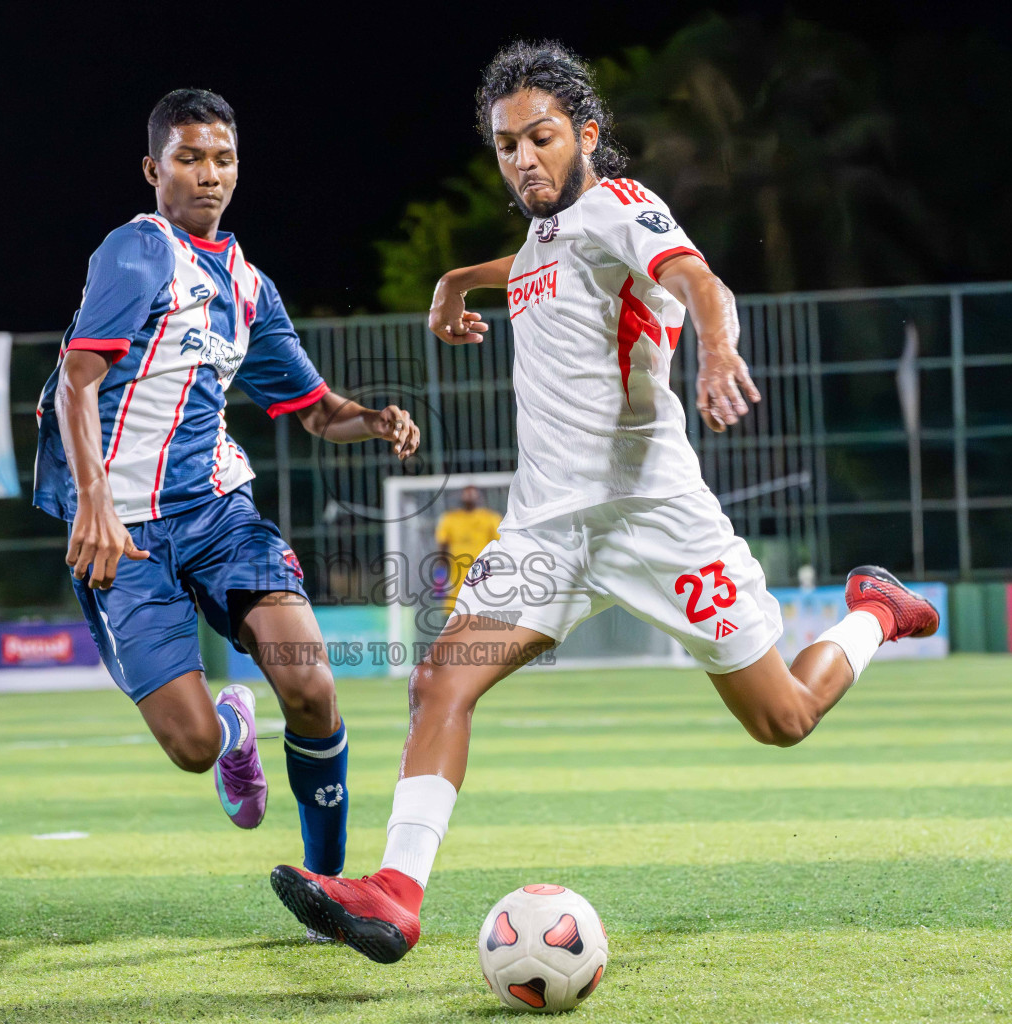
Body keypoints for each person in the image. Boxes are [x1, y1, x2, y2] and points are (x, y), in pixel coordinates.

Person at [269, 41, 938, 964]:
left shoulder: (623, 206)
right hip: (547, 525)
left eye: (540, 138)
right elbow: (537, 262)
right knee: (438, 682)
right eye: (506, 146)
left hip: (654, 516)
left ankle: (874, 611)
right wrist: (458, 280)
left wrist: (718, 347)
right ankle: (395, 891)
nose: (522, 160)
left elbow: (699, 278)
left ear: (586, 133)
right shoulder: (550, 234)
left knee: (781, 717)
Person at [32, 89, 420, 895]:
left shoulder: (250, 288)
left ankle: (326, 885)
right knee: (193, 746)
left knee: (311, 684)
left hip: (218, 512)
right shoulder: (137, 252)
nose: (208, 174)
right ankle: (233, 727)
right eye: (188, 158)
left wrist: (372, 419)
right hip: (123, 534)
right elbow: (77, 379)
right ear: (153, 168)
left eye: (223, 159)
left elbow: (315, 412)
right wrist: (95, 504)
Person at [432, 486, 502, 617]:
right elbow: (442, 546)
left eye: (472, 493)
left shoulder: (490, 518)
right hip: (456, 575)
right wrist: (440, 574)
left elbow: (499, 545)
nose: (469, 496)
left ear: (479, 497)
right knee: (455, 614)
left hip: (483, 574)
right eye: (466, 494)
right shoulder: (450, 518)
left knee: (481, 611)